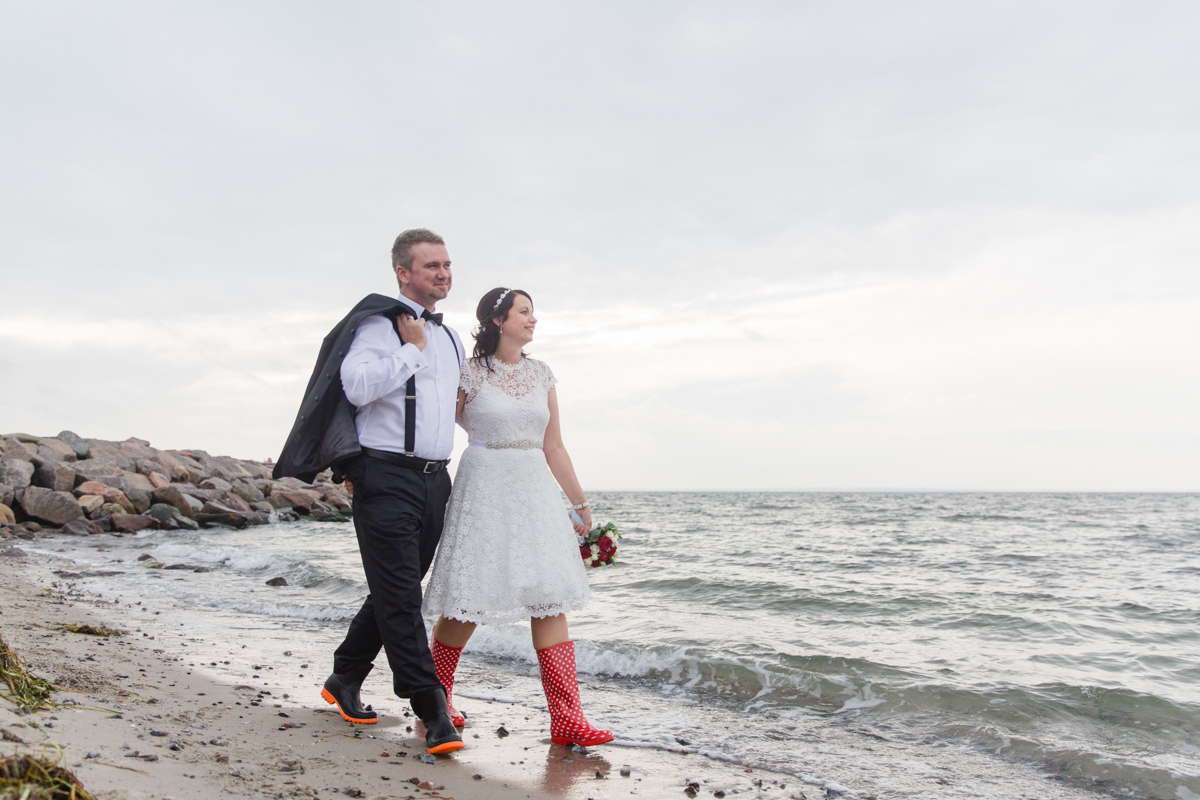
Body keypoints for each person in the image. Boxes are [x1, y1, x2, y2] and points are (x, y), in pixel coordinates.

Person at [273, 227, 465, 755]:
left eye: (447, 264)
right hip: (384, 476)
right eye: (431, 266)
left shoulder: (449, 338)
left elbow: (454, 405)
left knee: (396, 588)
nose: (443, 273)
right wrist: (409, 351)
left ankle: (345, 676)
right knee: (402, 594)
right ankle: (432, 708)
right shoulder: (381, 327)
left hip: (434, 479)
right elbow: (355, 387)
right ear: (403, 273)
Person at [421, 287, 613, 748]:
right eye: (524, 312)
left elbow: (554, 446)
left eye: (533, 313)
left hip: (534, 490)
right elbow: (435, 426)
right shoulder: (469, 372)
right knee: (468, 594)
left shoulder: (542, 373)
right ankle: (436, 698)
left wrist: (581, 504)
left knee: (549, 595)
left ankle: (568, 718)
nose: (533, 320)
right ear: (497, 320)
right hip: (483, 485)